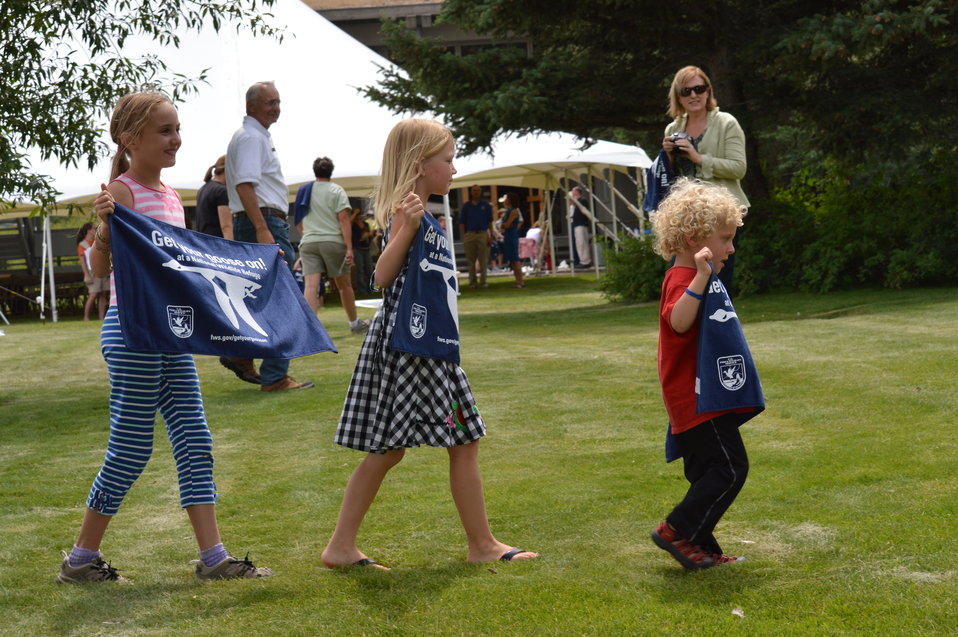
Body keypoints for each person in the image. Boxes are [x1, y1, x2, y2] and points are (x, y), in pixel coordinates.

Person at [58, 92, 273, 583]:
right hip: (133, 332)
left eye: (177, 129)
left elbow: (193, 264)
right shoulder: (123, 192)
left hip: (169, 334)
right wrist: (107, 228)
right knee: (131, 448)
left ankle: (214, 558)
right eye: (165, 131)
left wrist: (258, 268)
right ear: (130, 140)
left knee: (195, 438)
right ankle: (80, 560)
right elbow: (97, 266)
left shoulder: (174, 196)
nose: (176, 139)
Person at [321, 119, 538, 569]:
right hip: (411, 346)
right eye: (448, 160)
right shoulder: (409, 211)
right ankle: (477, 546)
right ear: (422, 164)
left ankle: (347, 546)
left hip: (425, 345)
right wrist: (407, 228)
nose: (455, 170)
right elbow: (380, 277)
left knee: (430, 443)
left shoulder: (422, 209)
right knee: (440, 441)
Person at [649, 178, 759, 570]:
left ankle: (702, 549)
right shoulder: (682, 279)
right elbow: (679, 322)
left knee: (707, 474)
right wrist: (699, 277)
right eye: (725, 238)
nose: (731, 247)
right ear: (695, 238)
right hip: (696, 401)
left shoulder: (700, 277)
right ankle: (675, 530)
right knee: (729, 469)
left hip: (705, 397)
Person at [225, 81, 313, 392]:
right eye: (269, 102)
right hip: (264, 222)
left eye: (278, 101)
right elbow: (245, 186)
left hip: (258, 221)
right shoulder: (252, 138)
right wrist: (263, 228)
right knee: (285, 298)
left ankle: (241, 352)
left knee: (259, 296)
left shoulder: (252, 136)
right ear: (251, 107)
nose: (276, 107)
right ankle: (275, 375)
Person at [663, 65, 749, 290]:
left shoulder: (726, 123)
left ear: (708, 91)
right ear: (678, 97)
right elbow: (674, 179)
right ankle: (686, 323)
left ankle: (719, 324)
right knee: (682, 275)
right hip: (689, 218)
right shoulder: (673, 128)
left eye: (699, 88)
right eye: (686, 91)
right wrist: (669, 157)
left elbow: (739, 168)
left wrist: (698, 157)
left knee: (718, 281)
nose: (693, 95)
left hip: (722, 214)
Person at [297, 156, 370, 334]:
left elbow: (298, 220)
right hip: (332, 242)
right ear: (331, 171)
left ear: (315, 171)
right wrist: (350, 248)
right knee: (344, 285)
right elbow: (344, 219)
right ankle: (354, 324)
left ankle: (309, 329)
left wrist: (306, 234)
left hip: (309, 242)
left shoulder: (305, 190)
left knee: (311, 287)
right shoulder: (336, 190)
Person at [458, 184, 494, 289]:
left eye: (478, 190)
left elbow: (490, 222)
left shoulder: (486, 205)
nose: (476, 192)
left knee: (483, 260)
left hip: (483, 233)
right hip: (470, 234)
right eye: (474, 190)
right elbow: (462, 222)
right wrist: (464, 235)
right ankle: (472, 282)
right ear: (471, 192)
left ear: (481, 192)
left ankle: (483, 282)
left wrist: (490, 235)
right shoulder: (466, 206)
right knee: (471, 261)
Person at [194, 155, 233, 240]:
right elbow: (226, 226)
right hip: (218, 244)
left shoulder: (202, 189)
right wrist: (231, 248)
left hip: (205, 242)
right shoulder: (222, 191)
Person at [76, 223, 108, 321]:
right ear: (89, 230)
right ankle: (86, 317)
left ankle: (101, 317)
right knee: (93, 294)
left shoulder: (97, 241)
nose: (96, 230)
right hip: (91, 273)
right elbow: (83, 263)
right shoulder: (82, 245)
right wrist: (87, 275)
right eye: (94, 228)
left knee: (103, 294)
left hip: (101, 269)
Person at [498, 192, 524, 288]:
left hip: (512, 236)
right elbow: (504, 224)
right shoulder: (508, 210)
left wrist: (504, 225)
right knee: (512, 260)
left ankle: (520, 281)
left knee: (515, 259)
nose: (505, 200)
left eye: (507, 198)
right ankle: (517, 281)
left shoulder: (514, 211)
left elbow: (507, 224)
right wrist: (504, 225)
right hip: (508, 235)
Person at [350, 207, 374, 295]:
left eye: (359, 213)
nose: (358, 215)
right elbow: (348, 223)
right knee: (359, 270)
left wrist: (369, 235)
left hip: (366, 249)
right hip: (357, 249)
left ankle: (370, 289)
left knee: (370, 270)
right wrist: (354, 214)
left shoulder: (365, 224)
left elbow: (370, 234)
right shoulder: (352, 224)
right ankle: (362, 291)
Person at [568, 186, 592, 267]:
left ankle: (585, 261)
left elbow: (583, 211)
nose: (572, 193)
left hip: (581, 224)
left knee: (582, 243)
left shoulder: (582, 200)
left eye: (573, 191)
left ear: (577, 192)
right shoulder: (578, 201)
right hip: (577, 224)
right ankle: (583, 260)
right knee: (579, 243)